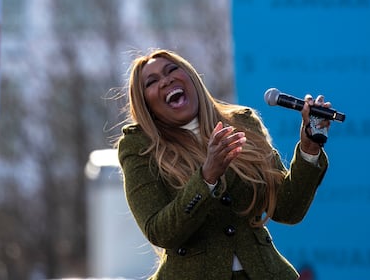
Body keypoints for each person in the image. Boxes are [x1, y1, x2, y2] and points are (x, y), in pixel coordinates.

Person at [115, 48, 331, 280]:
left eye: (172, 70)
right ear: (146, 104)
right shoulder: (139, 146)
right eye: (152, 81)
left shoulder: (242, 122)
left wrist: (310, 149)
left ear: (191, 78)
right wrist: (206, 178)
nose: (166, 80)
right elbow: (160, 232)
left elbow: (287, 210)